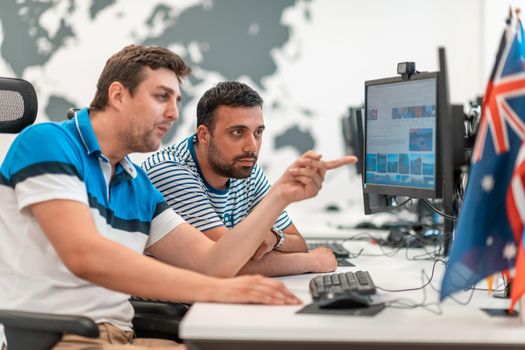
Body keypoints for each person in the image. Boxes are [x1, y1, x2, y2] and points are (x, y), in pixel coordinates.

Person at [0, 45, 355, 349]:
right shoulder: (47, 143)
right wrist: (220, 291)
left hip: (120, 335)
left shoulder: (135, 182)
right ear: (118, 95)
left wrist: (281, 195)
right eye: (161, 97)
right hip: (65, 338)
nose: (173, 113)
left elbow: (214, 264)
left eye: (176, 100)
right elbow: (86, 256)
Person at [143, 81, 350, 276]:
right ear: (204, 135)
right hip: (175, 307)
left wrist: (274, 237)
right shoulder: (170, 171)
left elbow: (298, 243)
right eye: (237, 132)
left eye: (258, 132)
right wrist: (312, 262)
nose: (251, 146)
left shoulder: (243, 167)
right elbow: (226, 263)